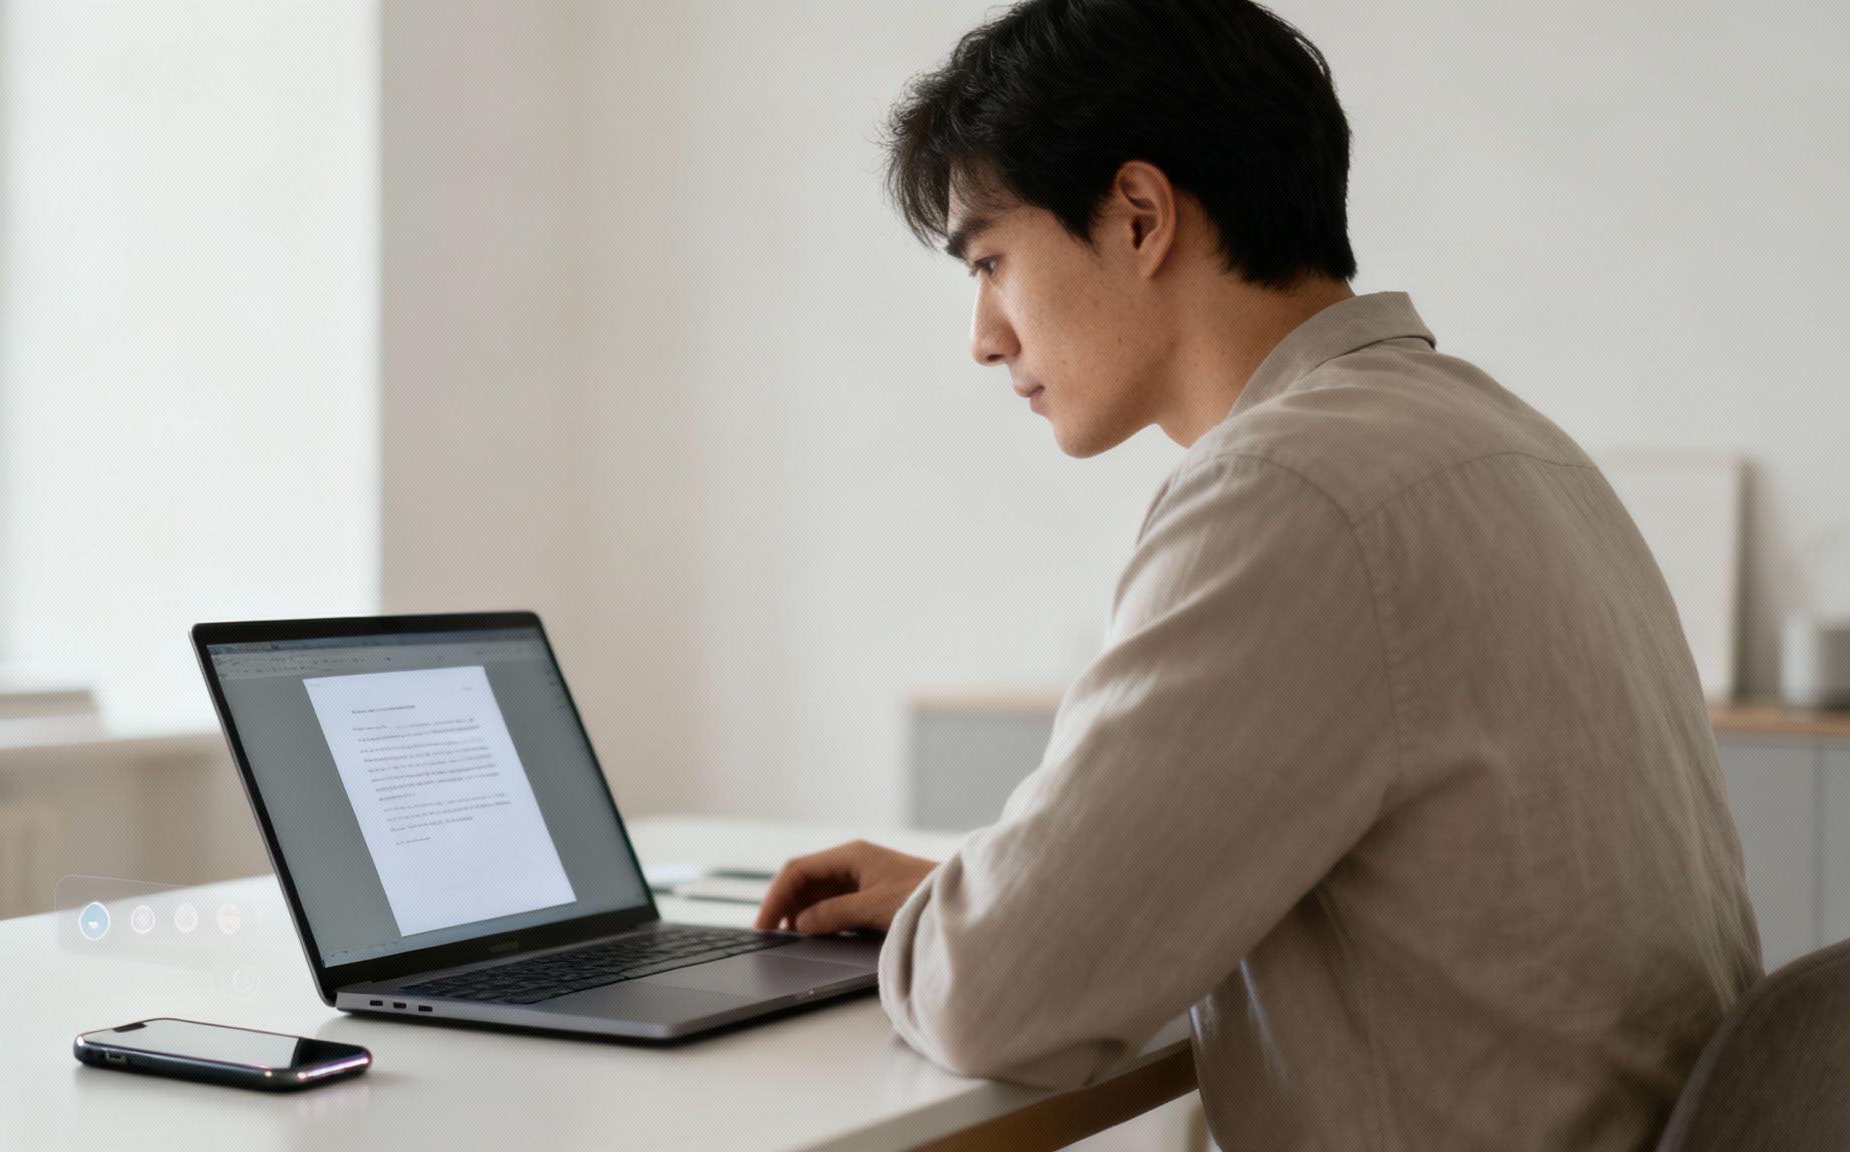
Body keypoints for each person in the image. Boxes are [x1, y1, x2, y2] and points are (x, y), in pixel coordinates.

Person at [752, 0, 1762, 1147]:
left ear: (1137, 216)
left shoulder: (1289, 489)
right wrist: (973, 893)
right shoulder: (1510, 442)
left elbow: (995, 1001)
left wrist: (959, 922)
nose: (983, 335)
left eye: (991, 261)